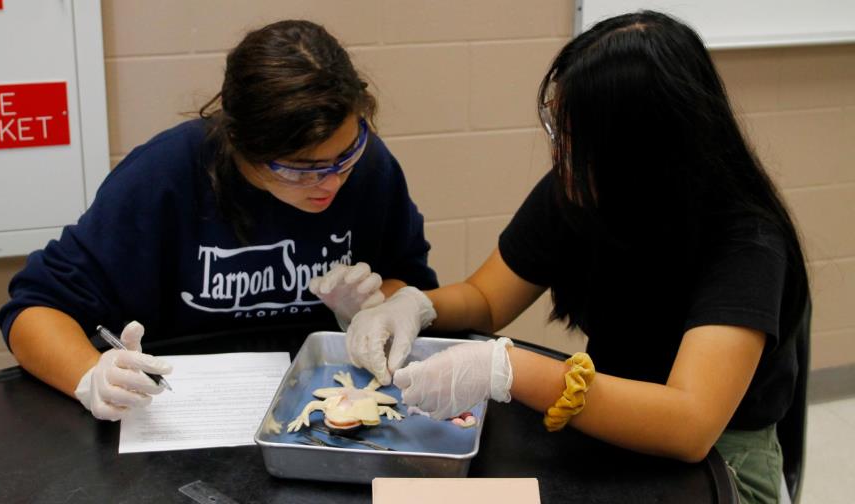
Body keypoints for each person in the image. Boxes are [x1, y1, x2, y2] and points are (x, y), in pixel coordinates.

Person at [336, 11, 808, 504]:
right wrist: (412, 305)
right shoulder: (582, 186)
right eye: (555, 127)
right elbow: (486, 298)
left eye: (573, 138)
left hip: (719, 463)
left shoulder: (746, 241)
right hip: (603, 427)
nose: (558, 153)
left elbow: (689, 426)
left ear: (640, 155)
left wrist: (509, 370)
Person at [0, 20, 437, 422]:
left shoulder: (371, 169)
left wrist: (374, 309)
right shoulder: (162, 177)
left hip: (327, 414)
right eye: (301, 168)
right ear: (238, 141)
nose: (331, 182)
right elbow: (33, 309)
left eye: (346, 156)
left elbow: (412, 282)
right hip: (183, 420)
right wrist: (91, 375)